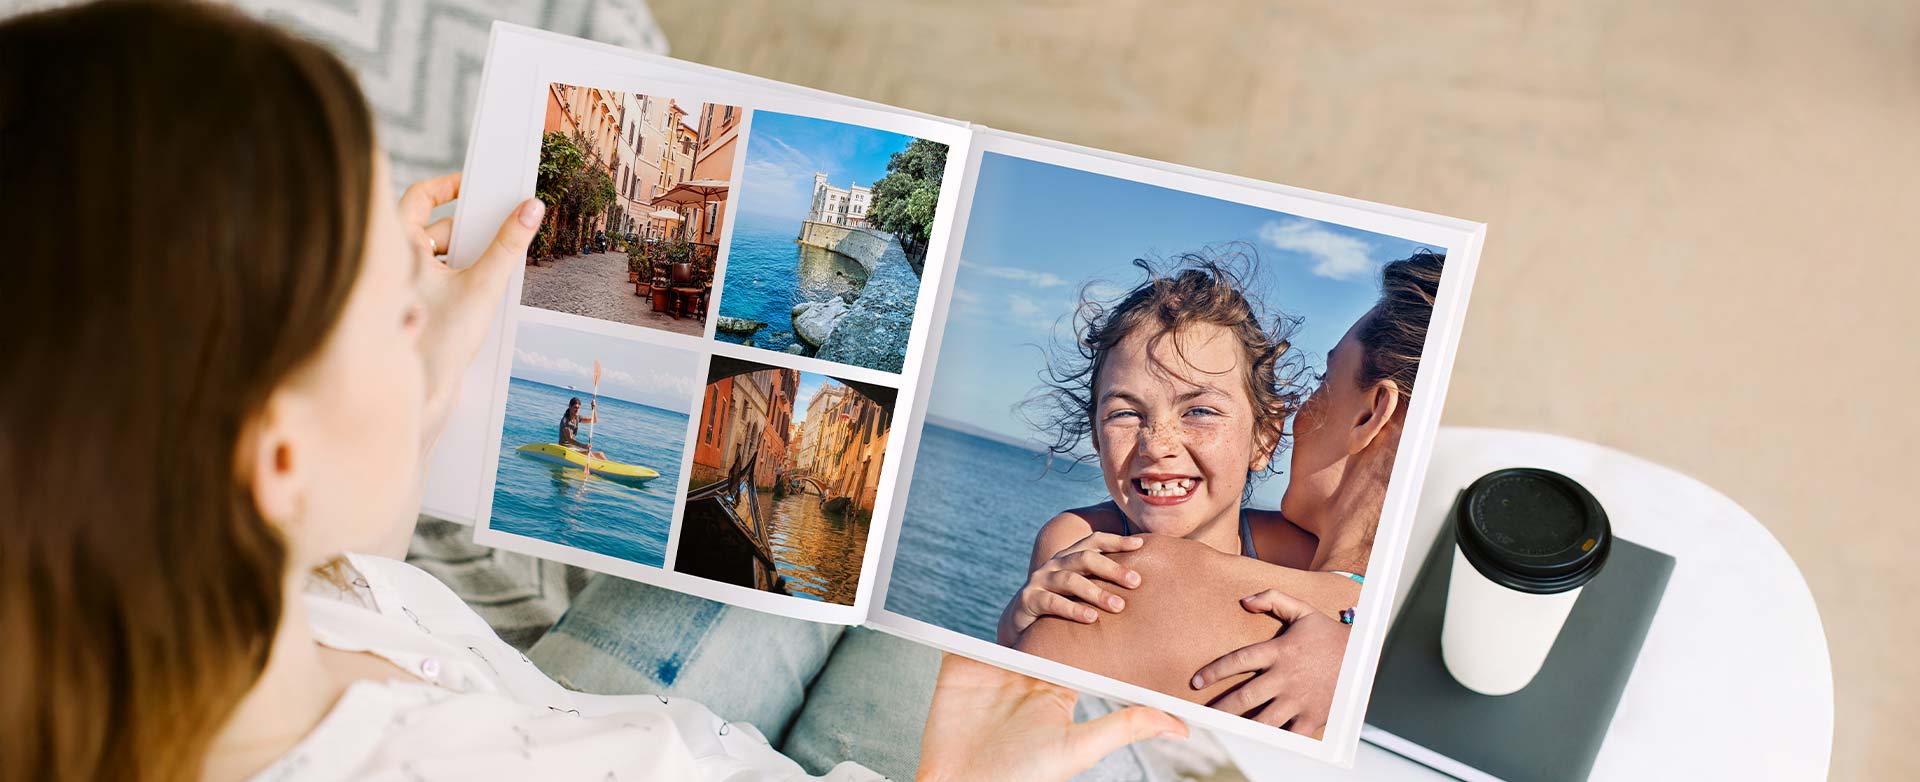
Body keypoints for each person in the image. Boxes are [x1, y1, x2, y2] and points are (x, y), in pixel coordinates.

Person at [0, 3, 1185, 780]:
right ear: (279, 459)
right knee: (1093, 704)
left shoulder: (223, 611)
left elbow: (328, 530)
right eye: (390, 297)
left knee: (820, 565)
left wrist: (428, 363)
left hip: (607, 722)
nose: (432, 287)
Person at [1017, 251, 1445, 737]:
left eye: (1326, 381)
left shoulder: (1134, 582)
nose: (1158, 446)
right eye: (1123, 413)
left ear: (1371, 416)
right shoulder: (1417, 626)